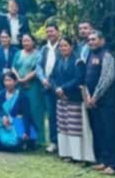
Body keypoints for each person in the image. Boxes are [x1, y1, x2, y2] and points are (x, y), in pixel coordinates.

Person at [51, 36, 95, 163]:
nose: (63, 48)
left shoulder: (78, 61)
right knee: (63, 126)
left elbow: (78, 79)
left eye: (65, 45)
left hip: (74, 98)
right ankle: (66, 153)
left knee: (75, 128)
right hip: (60, 98)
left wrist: (63, 88)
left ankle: (79, 155)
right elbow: (52, 77)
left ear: (71, 47)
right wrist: (56, 89)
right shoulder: (59, 60)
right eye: (61, 46)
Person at [84, 31, 115, 175]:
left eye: (94, 39)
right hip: (93, 102)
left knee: (110, 132)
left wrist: (95, 96)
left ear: (102, 40)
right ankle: (104, 160)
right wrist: (88, 96)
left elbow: (107, 78)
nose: (91, 42)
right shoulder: (90, 54)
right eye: (89, 40)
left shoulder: (107, 55)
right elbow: (86, 77)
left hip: (106, 102)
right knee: (99, 132)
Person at [0, 71, 36, 151]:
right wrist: (3, 117)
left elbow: (26, 115)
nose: (7, 83)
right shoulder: (1, 94)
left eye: (10, 80)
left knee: (11, 141)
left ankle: (15, 143)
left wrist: (26, 132)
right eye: (5, 80)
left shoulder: (22, 96)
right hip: (4, 122)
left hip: (16, 123)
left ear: (15, 82)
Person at [12, 32, 46, 147]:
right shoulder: (18, 53)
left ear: (33, 42)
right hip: (19, 86)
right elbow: (13, 67)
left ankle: (37, 140)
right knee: (20, 112)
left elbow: (38, 69)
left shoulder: (38, 54)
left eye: (28, 40)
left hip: (33, 87)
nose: (25, 43)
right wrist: (19, 79)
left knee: (35, 111)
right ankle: (23, 137)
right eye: (24, 41)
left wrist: (26, 79)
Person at [36, 21, 61, 152]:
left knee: (62, 116)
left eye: (52, 31)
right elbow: (38, 66)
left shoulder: (62, 46)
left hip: (60, 87)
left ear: (58, 32)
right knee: (51, 115)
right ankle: (53, 141)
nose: (49, 34)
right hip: (46, 86)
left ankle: (64, 144)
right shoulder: (44, 48)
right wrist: (43, 79)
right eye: (47, 32)